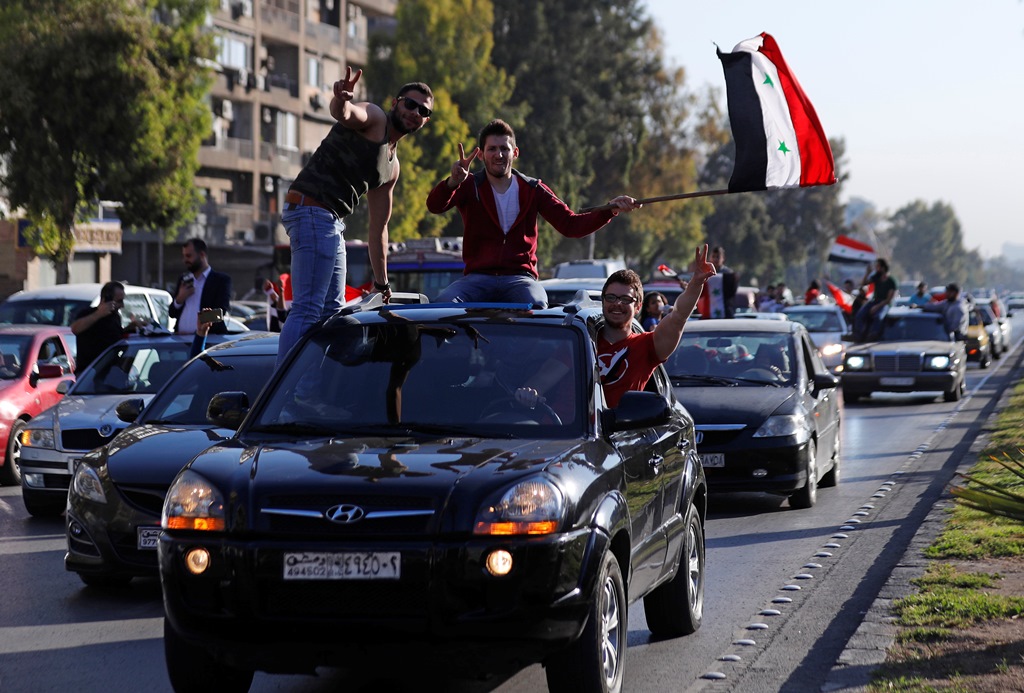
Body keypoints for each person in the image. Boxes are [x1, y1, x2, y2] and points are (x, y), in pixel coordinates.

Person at [277, 69, 434, 366]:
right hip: (312, 208)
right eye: (410, 104)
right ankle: (278, 394)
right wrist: (341, 100)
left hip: (331, 221)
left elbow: (379, 228)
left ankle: (311, 391)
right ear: (395, 102)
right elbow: (347, 114)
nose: (415, 112)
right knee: (307, 309)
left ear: (425, 121)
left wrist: (382, 283)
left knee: (331, 314)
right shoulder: (375, 118)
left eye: (423, 111)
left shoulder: (392, 166)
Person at [426, 119, 640, 307]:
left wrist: (609, 210)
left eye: (504, 148)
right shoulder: (468, 185)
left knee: (536, 305)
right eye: (492, 149)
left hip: (520, 278)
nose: (498, 155)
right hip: (477, 278)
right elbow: (434, 206)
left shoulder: (533, 189)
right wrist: (453, 181)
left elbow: (570, 225)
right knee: (444, 305)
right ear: (481, 154)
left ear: (515, 153)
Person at [597, 246, 715, 407]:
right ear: (603, 301)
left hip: (619, 430)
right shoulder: (580, 341)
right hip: (568, 429)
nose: (617, 303)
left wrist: (696, 282)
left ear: (638, 306)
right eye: (611, 297)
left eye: (626, 299)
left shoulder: (647, 346)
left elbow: (678, 317)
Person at [71, 281, 144, 375]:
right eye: (119, 301)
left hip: (109, 372)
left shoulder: (115, 318)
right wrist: (99, 314)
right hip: (88, 374)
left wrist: (131, 327)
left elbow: (114, 338)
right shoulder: (88, 314)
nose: (122, 305)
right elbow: (75, 329)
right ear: (106, 300)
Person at [169, 238, 233, 336]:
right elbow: (172, 313)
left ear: (202, 255)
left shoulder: (220, 280)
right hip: (181, 344)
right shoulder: (184, 279)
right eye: (184, 256)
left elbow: (219, 313)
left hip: (209, 341)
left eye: (189, 256)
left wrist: (198, 331)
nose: (185, 260)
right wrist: (179, 299)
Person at [853, 258, 897, 341]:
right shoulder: (876, 277)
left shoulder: (891, 281)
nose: (876, 268)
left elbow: (888, 300)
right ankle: (858, 334)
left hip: (884, 304)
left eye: (878, 266)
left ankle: (874, 335)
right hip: (875, 301)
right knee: (860, 314)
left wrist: (876, 307)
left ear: (883, 268)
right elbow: (863, 284)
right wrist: (867, 273)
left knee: (878, 317)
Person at [700, 246, 738, 318]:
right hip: (708, 312)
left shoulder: (728, 274)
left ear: (723, 258)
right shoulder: (704, 273)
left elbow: (731, 293)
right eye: (713, 256)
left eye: (718, 257)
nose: (715, 259)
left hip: (725, 312)